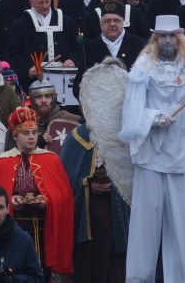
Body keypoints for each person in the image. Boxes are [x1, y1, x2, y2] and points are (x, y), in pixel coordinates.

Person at [119, 14, 185, 282]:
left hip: (184, 153)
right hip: (152, 155)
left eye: (171, 35)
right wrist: (153, 118)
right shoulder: (142, 66)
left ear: (178, 37)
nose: (166, 40)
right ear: (155, 38)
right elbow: (132, 111)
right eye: (162, 36)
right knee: (145, 226)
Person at [0, 106, 75, 278]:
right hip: (14, 227)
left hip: (43, 227)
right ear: (15, 135)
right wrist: (9, 202)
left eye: (34, 132)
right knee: (15, 269)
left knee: (41, 271)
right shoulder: (1, 163)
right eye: (26, 133)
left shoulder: (51, 159)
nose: (32, 137)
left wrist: (46, 201)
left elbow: (64, 197)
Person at [61, 118, 131, 283]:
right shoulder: (75, 139)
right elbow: (67, 180)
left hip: (116, 211)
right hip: (89, 214)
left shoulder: (122, 137)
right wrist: (87, 184)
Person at [5, 0, 83, 87]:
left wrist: (72, 60)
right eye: (40, 3)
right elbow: (12, 56)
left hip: (64, 80)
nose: (45, 6)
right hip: (32, 83)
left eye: (47, 2)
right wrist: (27, 70)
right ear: (31, 2)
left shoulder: (67, 22)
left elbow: (77, 49)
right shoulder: (20, 25)